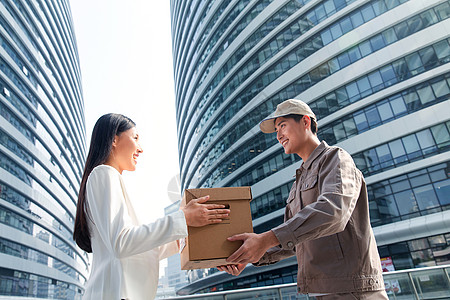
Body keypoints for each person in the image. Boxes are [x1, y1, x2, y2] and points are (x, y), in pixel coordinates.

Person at [218, 99, 388, 299]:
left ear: (305, 122)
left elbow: (334, 211)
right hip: (322, 290)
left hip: (354, 290)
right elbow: (294, 239)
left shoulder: (336, 158)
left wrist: (266, 239)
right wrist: (250, 255)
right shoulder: (297, 183)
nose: (279, 135)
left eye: (282, 125)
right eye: (276, 130)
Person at [73, 113, 230, 300]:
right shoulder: (104, 173)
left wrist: (196, 238)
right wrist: (183, 219)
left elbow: (139, 251)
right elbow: (121, 243)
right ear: (114, 139)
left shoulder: (109, 178)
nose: (140, 148)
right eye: (135, 138)